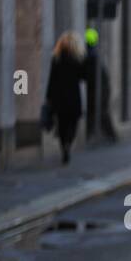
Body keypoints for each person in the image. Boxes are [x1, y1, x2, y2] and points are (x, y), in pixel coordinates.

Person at [46, 32, 85, 165]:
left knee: (62, 124)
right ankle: (69, 142)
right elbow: (83, 77)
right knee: (73, 124)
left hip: (59, 98)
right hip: (73, 97)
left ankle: (64, 147)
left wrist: (48, 97)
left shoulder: (56, 58)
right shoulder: (78, 59)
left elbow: (52, 80)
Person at [83, 27, 119, 142]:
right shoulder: (94, 56)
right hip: (99, 89)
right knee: (96, 112)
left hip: (99, 89)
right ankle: (93, 135)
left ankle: (109, 136)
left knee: (99, 112)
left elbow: (88, 74)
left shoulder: (91, 57)